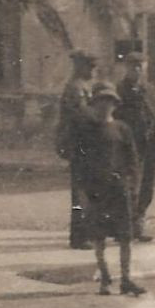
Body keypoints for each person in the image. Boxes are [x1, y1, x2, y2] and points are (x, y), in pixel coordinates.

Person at [73, 82, 146, 296]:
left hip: (119, 189)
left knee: (125, 237)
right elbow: (79, 164)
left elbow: (133, 161)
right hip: (96, 190)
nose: (105, 106)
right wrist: (82, 193)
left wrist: (133, 186)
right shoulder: (86, 131)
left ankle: (126, 279)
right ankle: (105, 278)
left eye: (109, 102)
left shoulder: (122, 129)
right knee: (99, 237)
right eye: (101, 102)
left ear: (115, 105)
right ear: (94, 104)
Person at [116, 50, 155, 242]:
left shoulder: (151, 90)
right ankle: (126, 227)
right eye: (134, 67)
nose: (138, 70)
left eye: (141, 67)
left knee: (148, 186)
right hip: (130, 146)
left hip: (151, 146)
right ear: (127, 68)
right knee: (131, 186)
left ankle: (139, 224)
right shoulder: (119, 91)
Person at [57, 50, 97, 249]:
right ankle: (80, 236)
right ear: (80, 67)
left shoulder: (80, 86)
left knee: (85, 191)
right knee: (81, 193)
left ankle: (82, 234)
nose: (93, 71)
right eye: (90, 67)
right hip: (80, 145)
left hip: (84, 144)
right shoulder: (76, 88)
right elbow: (83, 116)